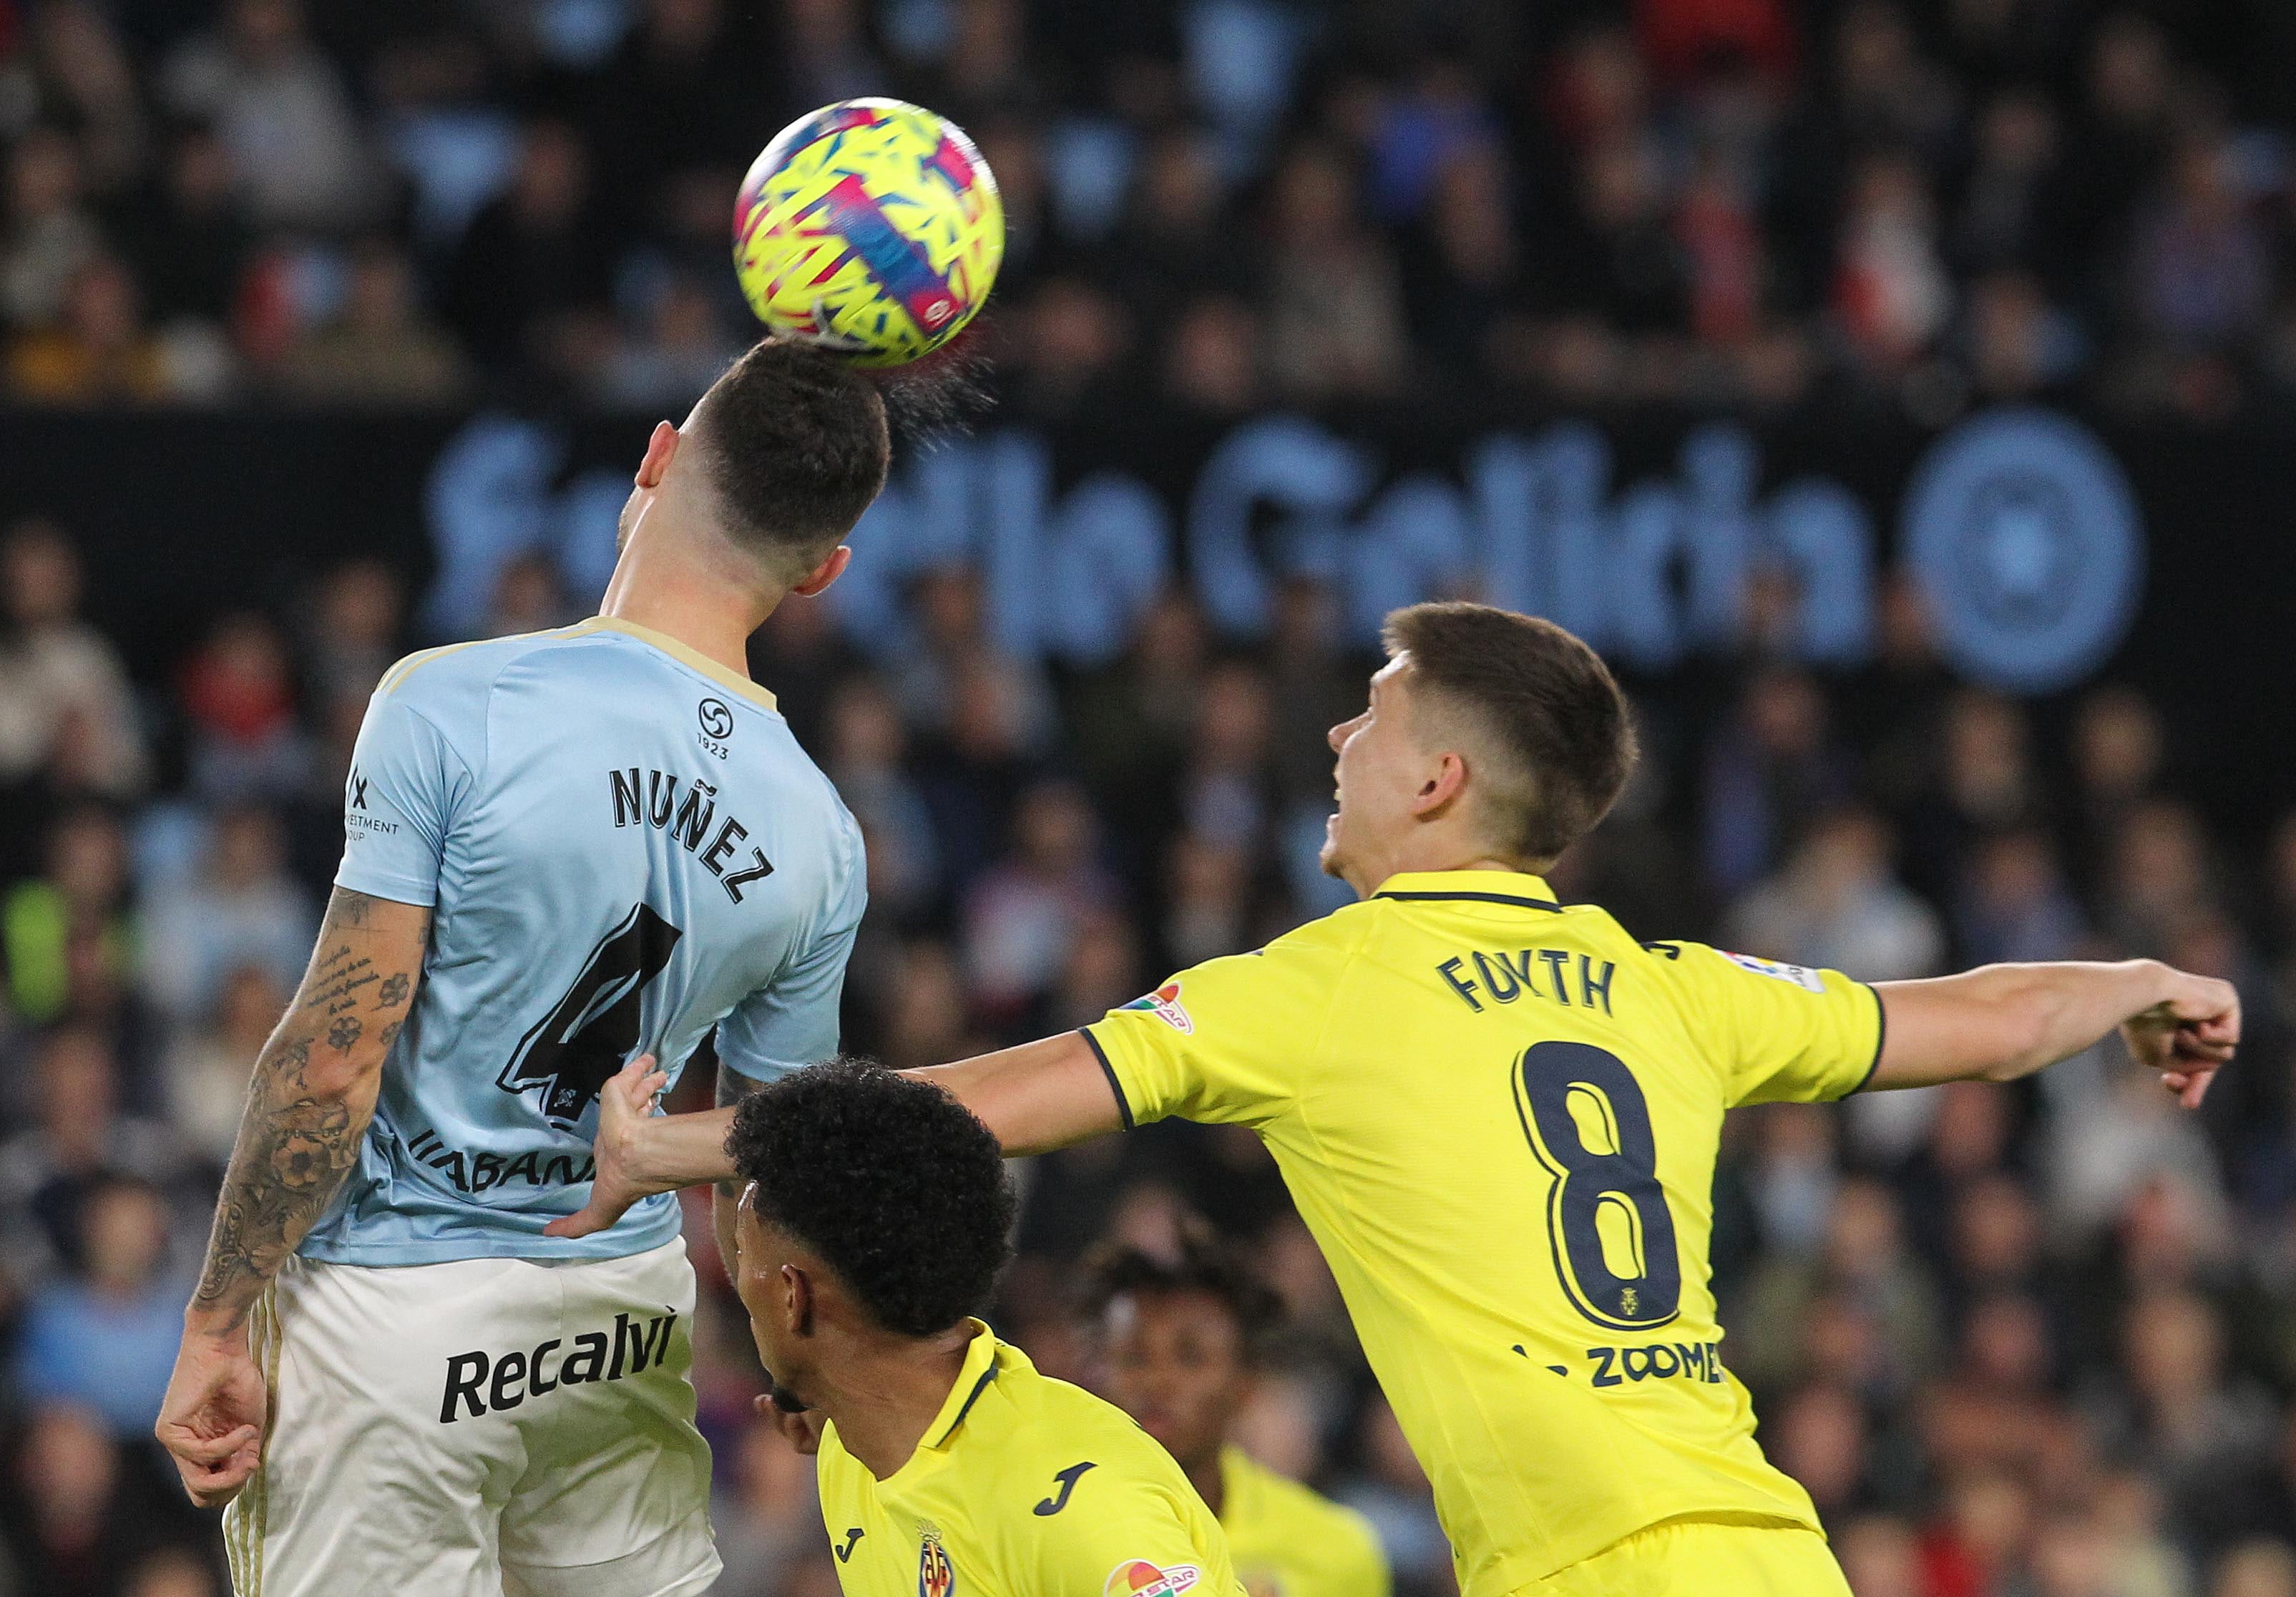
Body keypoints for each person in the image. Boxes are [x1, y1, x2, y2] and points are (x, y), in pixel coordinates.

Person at [562, 600, 2242, 1597]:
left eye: (1367, 713)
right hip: (1762, 1550)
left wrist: (678, 1143)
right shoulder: (1670, 982)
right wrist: (2140, 985)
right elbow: (1977, 1010)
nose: (1333, 732)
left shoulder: (1318, 987)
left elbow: (968, 1109)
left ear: (1435, 776)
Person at [153, 336, 891, 1597]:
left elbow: (334, 1058)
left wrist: (219, 1315)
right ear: (823, 570)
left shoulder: (453, 704)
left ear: (655, 459)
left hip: (389, 1325)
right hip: (618, 1325)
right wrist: (802, 1367)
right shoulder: (820, 833)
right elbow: (775, 1148)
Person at [723, 1058, 1244, 1597]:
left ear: (792, 1298)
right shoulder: (855, 1440)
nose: (737, 1278)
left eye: (741, 1253)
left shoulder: (1074, 1507)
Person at [1083, 1236, 1391, 1597]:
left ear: (1246, 1383)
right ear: (1095, 1375)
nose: (1158, 1382)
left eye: (1191, 1357)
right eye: (1134, 1357)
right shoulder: (1050, 1530)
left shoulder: (1335, 1552)